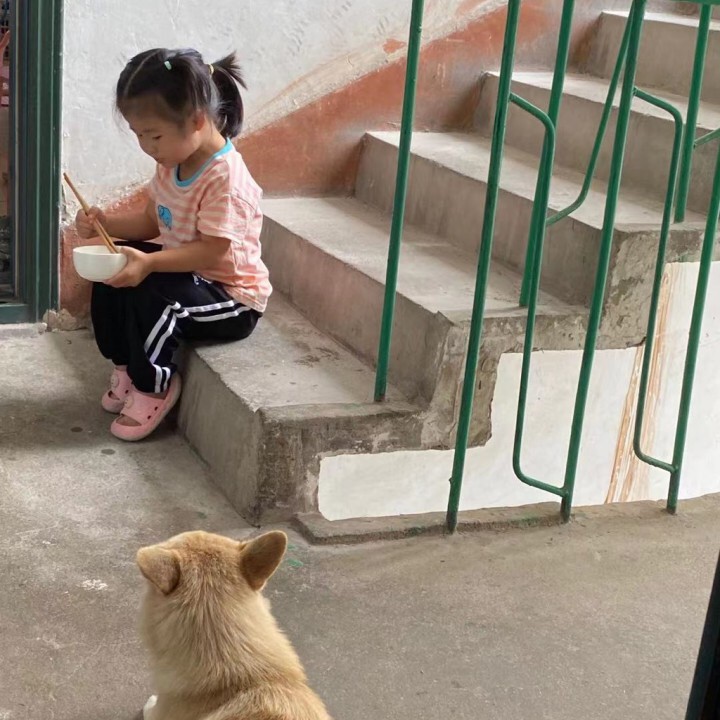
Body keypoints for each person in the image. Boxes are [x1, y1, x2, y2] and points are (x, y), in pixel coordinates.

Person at [75, 48, 271, 442]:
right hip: (187, 273)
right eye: (138, 135)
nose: (147, 145)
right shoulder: (171, 161)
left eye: (154, 135)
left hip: (230, 296)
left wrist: (149, 264)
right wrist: (105, 224)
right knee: (113, 267)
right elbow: (152, 221)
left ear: (196, 121)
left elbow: (213, 252)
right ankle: (125, 367)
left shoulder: (226, 179)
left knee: (156, 296)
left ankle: (153, 387)